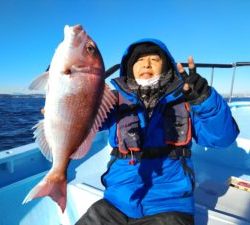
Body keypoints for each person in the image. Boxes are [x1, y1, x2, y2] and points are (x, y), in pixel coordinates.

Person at [75, 39, 239, 225]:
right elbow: (81, 123)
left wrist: (205, 100)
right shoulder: (112, 101)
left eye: (154, 59)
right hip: (116, 203)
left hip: (170, 206)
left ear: (166, 65)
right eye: (139, 60)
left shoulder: (186, 98)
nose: (146, 64)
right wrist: (66, 90)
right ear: (129, 68)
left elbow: (223, 138)